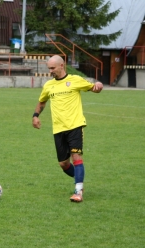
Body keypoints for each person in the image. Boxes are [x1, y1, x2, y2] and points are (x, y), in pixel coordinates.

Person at [32, 55, 103, 202]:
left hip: (75, 125)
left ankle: (78, 191)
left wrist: (99, 85)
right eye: (49, 68)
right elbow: (42, 102)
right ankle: (79, 178)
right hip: (58, 129)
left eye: (53, 68)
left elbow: (93, 88)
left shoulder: (75, 80)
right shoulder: (48, 85)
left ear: (62, 66)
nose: (50, 71)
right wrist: (35, 115)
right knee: (63, 164)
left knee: (76, 156)